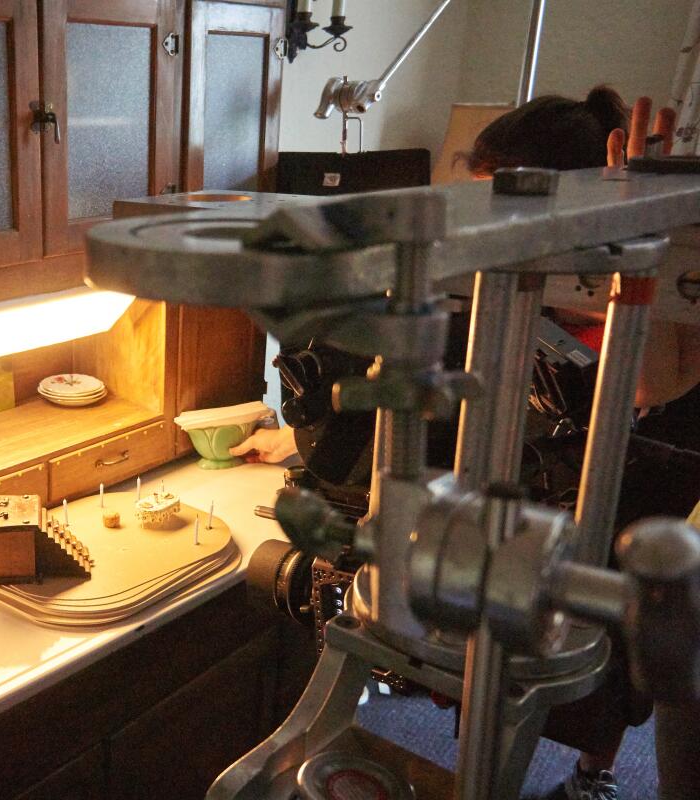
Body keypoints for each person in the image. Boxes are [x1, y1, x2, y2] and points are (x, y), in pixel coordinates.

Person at [235, 86, 700, 800]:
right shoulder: (489, 306)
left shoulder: (622, 316)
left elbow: (651, 384)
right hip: (519, 517)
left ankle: (592, 775)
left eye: (494, 212)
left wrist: (646, 236)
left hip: (624, 531)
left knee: (616, 689)